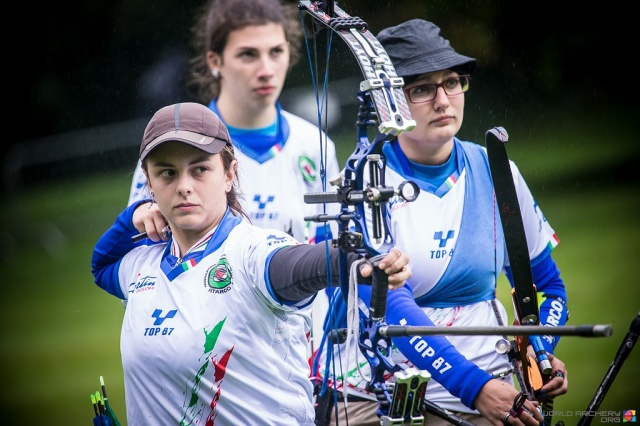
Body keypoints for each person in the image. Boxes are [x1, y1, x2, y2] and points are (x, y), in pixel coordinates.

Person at [313, 19, 569, 426]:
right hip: (383, 395)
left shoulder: (495, 169)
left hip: (494, 384)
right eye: (421, 88)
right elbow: (391, 309)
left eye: (452, 81)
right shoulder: (360, 185)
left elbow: (549, 288)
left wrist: (538, 350)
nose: (443, 100)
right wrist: (474, 387)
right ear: (388, 102)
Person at [91, 102, 411, 425]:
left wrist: (353, 260)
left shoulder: (251, 250)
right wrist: (132, 217)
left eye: (200, 169)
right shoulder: (141, 264)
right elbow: (100, 266)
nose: (184, 186)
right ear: (149, 183)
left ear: (229, 174)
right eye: (167, 173)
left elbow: (295, 266)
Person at [128, 0, 340, 246]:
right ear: (215, 61)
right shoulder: (173, 144)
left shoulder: (315, 144)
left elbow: (332, 255)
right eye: (248, 54)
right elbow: (142, 260)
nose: (266, 69)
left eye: (276, 52)